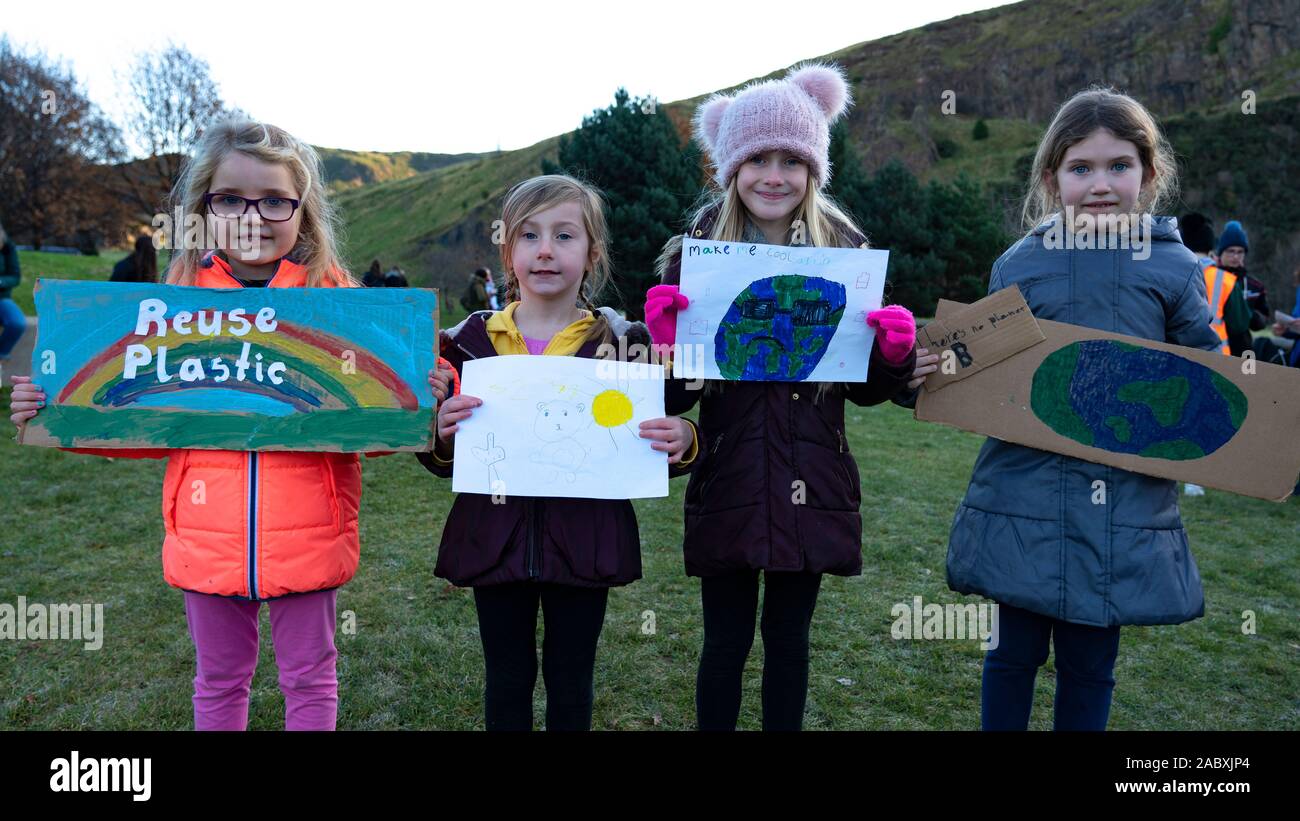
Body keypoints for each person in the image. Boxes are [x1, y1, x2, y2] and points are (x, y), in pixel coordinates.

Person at [6, 120, 434, 731]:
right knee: (218, 682)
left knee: (310, 678)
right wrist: (55, 410)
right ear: (203, 206)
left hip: (309, 536)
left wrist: (426, 388)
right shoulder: (174, 301)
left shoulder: (337, 299)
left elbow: (382, 416)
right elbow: (150, 423)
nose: (252, 215)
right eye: (231, 198)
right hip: (206, 540)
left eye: (274, 200)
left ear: (302, 210)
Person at [645, 63, 916, 731]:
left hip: (813, 477)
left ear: (813, 171)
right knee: (725, 643)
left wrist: (892, 353)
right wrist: (666, 340)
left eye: (791, 159)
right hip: (730, 476)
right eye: (756, 158)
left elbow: (870, 387)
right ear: (731, 169)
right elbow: (676, 393)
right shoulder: (699, 256)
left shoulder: (846, 255)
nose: (773, 174)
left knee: (789, 644)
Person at [943, 88, 1222, 731]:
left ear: (1148, 176)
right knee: (1010, 655)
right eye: (1081, 168)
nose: (1101, 184)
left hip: (1123, 503)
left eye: (1119, 166)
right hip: (1024, 495)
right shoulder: (1021, 262)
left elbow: (1209, 379)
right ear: (1052, 178)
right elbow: (982, 370)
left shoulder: (1177, 268)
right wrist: (924, 370)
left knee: (1091, 665)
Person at [421, 174, 701, 731]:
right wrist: (441, 433)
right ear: (509, 252)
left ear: (592, 253)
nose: (545, 250)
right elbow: (435, 452)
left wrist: (685, 440)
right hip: (492, 538)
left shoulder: (628, 342)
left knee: (572, 680)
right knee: (506, 678)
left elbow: (678, 401)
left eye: (565, 236)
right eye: (528, 236)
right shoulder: (464, 343)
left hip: (586, 541)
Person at [1214, 220, 1268, 356]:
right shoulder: (1210, 279)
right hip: (1214, 349)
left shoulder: (1255, 286)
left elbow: (1262, 322)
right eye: (1230, 251)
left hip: (1243, 352)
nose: (1235, 256)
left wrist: (1247, 313)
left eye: (1240, 252)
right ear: (1221, 252)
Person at [0, 218, 26, 373]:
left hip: (2, 298)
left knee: (17, 323)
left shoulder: (7, 247)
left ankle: (1, 356)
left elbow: (15, 276)